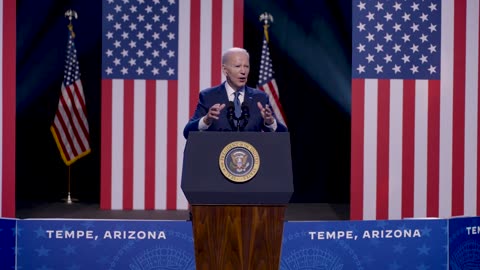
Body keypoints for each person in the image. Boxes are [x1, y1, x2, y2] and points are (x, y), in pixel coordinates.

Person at [183, 47, 287, 139]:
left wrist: (270, 122)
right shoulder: (208, 96)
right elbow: (187, 132)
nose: (243, 71)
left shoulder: (260, 98)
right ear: (225, 70)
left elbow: (283, 134)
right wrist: (206, 120)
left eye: (246, 66)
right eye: (237, 66)